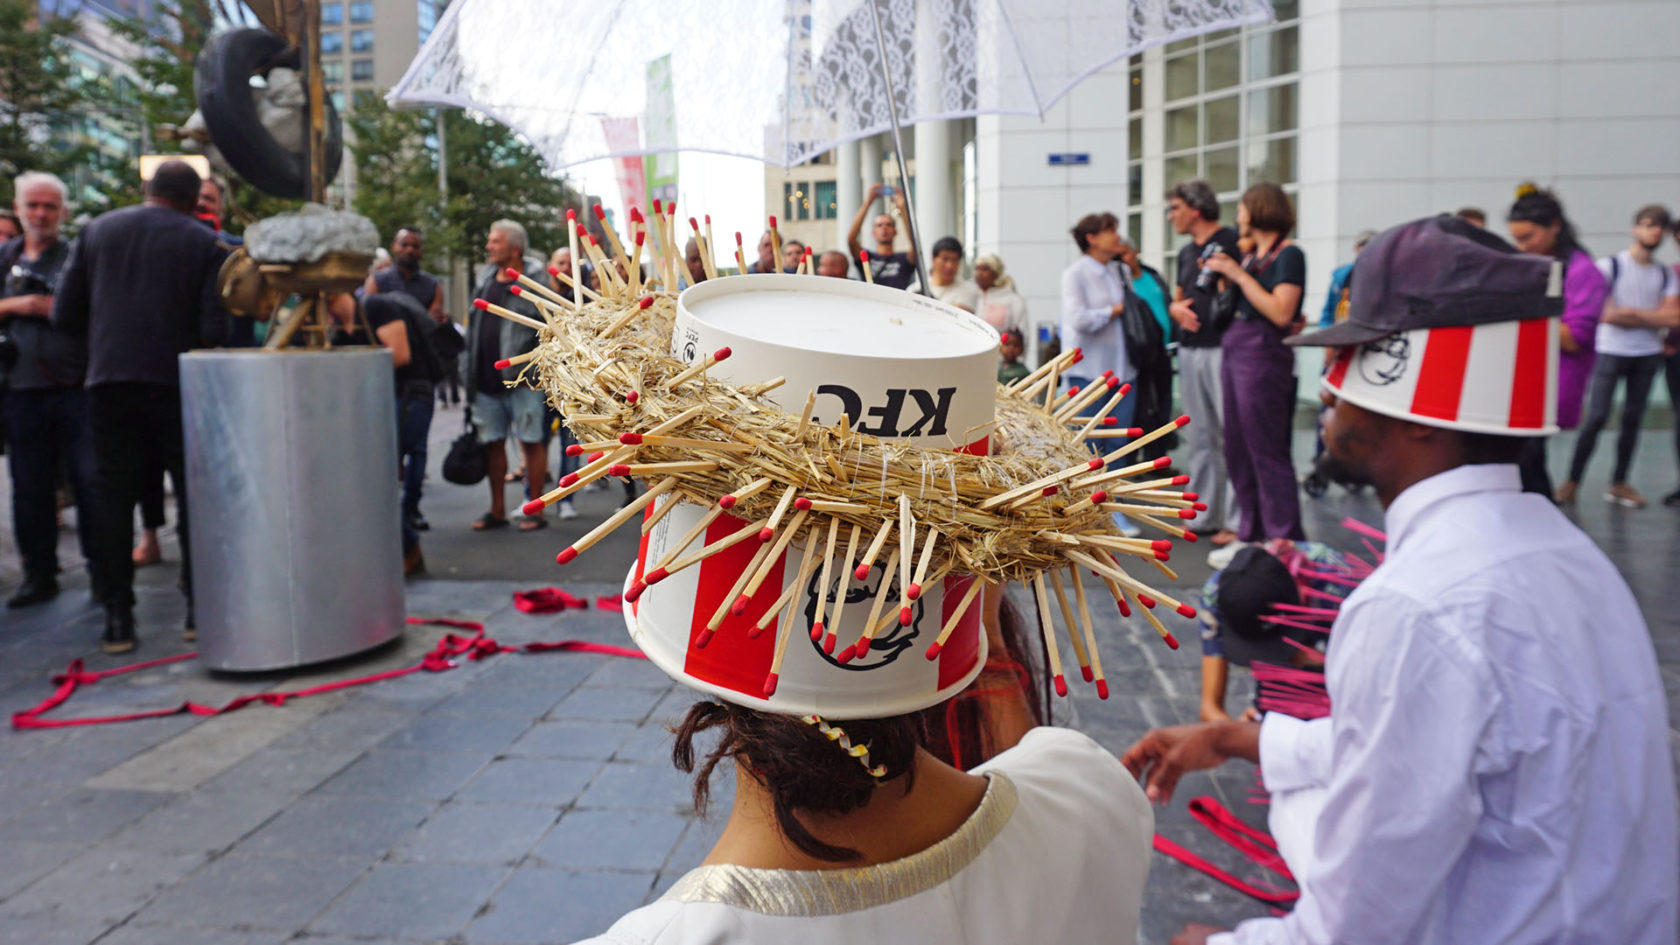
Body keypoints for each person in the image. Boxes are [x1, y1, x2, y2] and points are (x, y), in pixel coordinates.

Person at [1125, 215, 1678, 945]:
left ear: (1423, 413)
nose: (1328, 390)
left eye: (1356, 360)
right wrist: (1237, 739)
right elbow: (1419, 756)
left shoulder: (1415, 607)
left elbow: (1355, 924)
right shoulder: (1571, 558)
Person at [51, 159, 229, 653]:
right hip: (178, 384)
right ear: (196, 200)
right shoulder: (204, 243)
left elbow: (64, 314)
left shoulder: (97, 231)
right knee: (194, 494)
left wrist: (101, 351)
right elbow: (214, 329)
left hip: (110, 382)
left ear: (147, 188)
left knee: (112, 499)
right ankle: (198, 609)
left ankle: (118, 618)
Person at [0, 171, 99, 609]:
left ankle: (104, 572)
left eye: (50, 206)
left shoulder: (76, 258)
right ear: (18, 208)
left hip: (73, 387)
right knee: (29, 487)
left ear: (63, 212)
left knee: (91, 482)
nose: (40, 214)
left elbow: (92, 311)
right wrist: (22, 304)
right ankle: (39, 573)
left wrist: (51, 307)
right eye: (33, 205)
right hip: (19, 388)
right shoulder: (5, 258)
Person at [1202, 183, 1306, 551]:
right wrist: (1224, 282)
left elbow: (1281, 312)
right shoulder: (1250, 256)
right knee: (1237, 448)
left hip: (1263, 356)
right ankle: (1251, 532)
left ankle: (1283, 537)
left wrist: (1239, 275)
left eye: (1243, 207)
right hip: (1236, 349)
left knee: (1266, 446)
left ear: (1260, 209)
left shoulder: (1289, 255)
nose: (1239, 215)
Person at [1553, 204, 1678, 508]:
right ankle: (1572, 481)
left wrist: (1631, 312)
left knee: (1632, 420)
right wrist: (1653, 316)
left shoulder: (1663, 273)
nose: (1654, 231)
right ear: (1635, 228)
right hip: (1611, 350)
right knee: (1595, 417)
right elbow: (1605, 314)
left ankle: (1619, 482)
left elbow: (1673, 318)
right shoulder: (1611, 266)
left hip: (1646, 355)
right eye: (1648, 224)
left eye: (1659, 226)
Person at [1506, 184, 1609, 498]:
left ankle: (1541, 517)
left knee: (1527, 459)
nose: (1522, 247)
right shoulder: (1533, 264)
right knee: (1523, 462)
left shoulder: (1583, 272)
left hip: (1555, 382)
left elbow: (1575, 338)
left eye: (1528, 237)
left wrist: (1520, 313)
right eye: (1516, 239)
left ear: (1554, 227)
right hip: (1525, 379)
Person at [1166, 180, 1242, 545]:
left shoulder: (1231, 241)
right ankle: (1203, 514)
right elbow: (1179, 297)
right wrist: (1175, 309)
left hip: (1223, 347)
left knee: (1233, 433)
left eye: (1175, 208)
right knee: (1199, 436)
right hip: (1191, 347)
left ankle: (1240, 519)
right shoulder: (1185, 253)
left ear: (1195, 209)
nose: (1170, 216)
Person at [466, 220, 548, 532]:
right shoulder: (485, 278)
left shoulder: (535, 282)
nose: (489, 246)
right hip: (484, 379)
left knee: (530, 442)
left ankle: (535, 508)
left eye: (495, 241)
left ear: (515, 248)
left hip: (522, 380)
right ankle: (497, 508)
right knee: (492, 443)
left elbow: (549, 330)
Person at [1060, 212, 1139, 534]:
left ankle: (1113, 509)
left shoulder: (1120, 271)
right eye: (1110, 231)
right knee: (1088, 445)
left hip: (1122, 369)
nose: (1116, 237)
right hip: (1088, 371)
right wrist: (1114, 311)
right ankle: (1086, 509)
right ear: (1091, 237)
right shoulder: (1076, 274)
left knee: (1118, 444)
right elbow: (1079, 319)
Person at [366, 225, 447, 532]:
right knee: (388, 447)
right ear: (394, 246)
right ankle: (388, 511)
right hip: (386, 377)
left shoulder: (431, 285)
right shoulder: (379, 281)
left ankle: (411, 507)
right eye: (404, 244)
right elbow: (366, 318)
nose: (409, 250)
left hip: (421, 377)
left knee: (418, 447)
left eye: (415, 244)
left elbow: (434, 325)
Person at [1116, 235, 1174, 462]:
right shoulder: (1121, 283)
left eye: (1125, 255)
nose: (1123, 260)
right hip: (1139, 352)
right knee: (1140, 405)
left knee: (1162, 402)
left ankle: (1157, 456)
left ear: (1135, 252)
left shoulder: (1153, 276)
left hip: (1163, 349)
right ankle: (1134, 459)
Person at [846, 184, 916, 289]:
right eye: (879, 225)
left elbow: (915, 245)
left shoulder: (904, 259)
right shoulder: (866, 257)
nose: (884, 228)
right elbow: (851, 240)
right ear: (873, 233)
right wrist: (867, 203)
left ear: (895, 232)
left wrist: (903, 209)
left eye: (889, 225)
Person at [972, 253, 1026, 336]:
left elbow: (1022, 336)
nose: (979, 273)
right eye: (977, 269)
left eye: (985, 269)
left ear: (996, 273)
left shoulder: (1013, 300)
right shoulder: (974, 296)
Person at [923, 236, 979, 311]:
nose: (950, 265)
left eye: (955, 260)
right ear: (933, 259)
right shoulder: (916, 289)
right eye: (945, 259)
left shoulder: (968, 292)